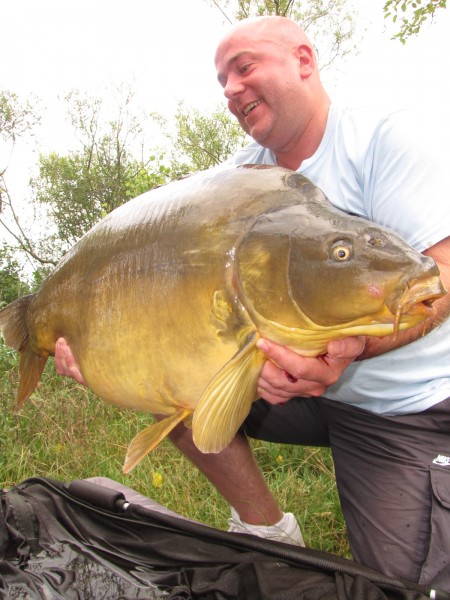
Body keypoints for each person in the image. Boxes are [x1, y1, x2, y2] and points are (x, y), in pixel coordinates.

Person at [55, 16, 450, 589]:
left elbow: (439, 275)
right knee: (176, 382)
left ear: (304, 61)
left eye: (244, 68)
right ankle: (268, 534)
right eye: (222, 81)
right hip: (297, 387)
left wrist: (353, 346)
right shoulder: (242, 184)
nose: (231, 89)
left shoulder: (385, 137)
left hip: (401, 407)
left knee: (402, 587)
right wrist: (101, 352)